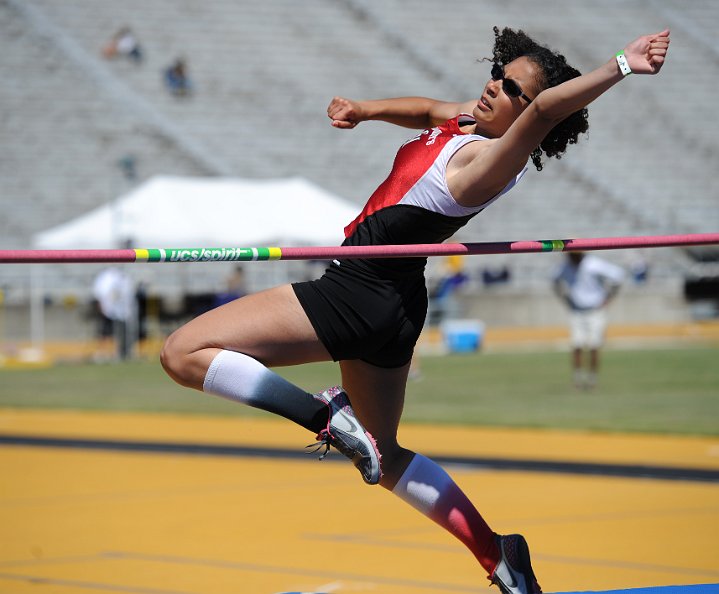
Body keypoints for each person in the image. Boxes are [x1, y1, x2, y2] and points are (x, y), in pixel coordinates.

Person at [160, 26, 670, 594]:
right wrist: (366, 109)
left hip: (358, 288)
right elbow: (427, 109)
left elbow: (548, 108)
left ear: (527, 114)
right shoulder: (467, 122)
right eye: (498, 75)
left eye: (510, 90)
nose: (493, 87)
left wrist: (620, 66)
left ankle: (324, 417)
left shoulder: (492, 160)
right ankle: (499, 554)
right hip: (397, 305)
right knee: (383, 451)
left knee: (180, 352)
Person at [553, 251, 625, 389]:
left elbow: (618, 275)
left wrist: (609, 298)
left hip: (595, 310)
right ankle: (578, 379)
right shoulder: (565, 266)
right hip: (577, 311)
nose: (570, 257)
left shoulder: (593, 264)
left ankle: (593, 379)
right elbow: (554, 280)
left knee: (594, 346)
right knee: (576, 345)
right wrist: (565, 299)